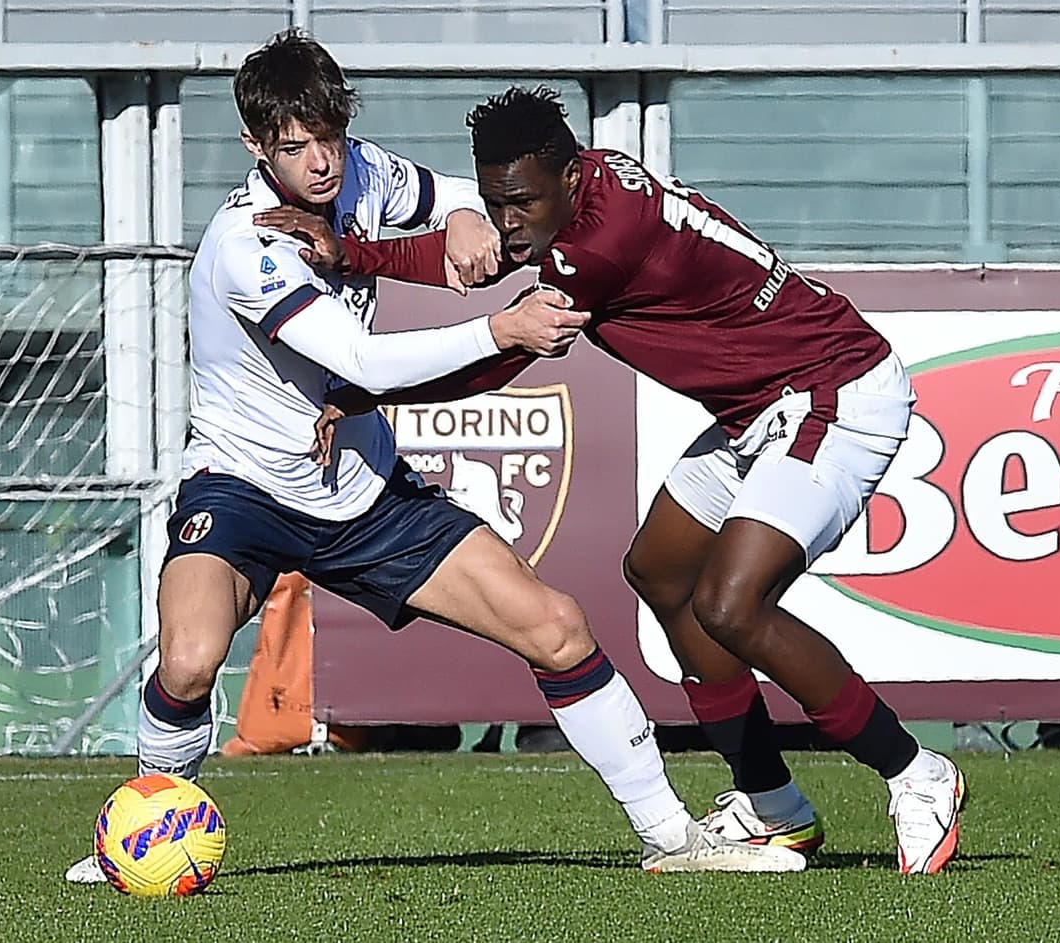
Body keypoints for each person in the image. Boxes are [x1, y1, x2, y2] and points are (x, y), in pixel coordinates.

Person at [66, 35, 805, 884]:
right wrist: (504, 326)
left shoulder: (364, 174)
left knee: (557, 628)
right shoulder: (247, 244)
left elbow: (454, 195)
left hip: (364, 488)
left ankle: (674, 836)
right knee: (190, 659)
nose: (320, 164)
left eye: (329, 139)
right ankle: (138, 835)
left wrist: (458, 213)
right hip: (244, 487)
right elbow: (366, 365)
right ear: (253, 147)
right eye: (294, 148)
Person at [269, 86, 967, 875]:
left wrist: (365, 392)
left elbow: (504, 350)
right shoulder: (581, 196)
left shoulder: (598, 248)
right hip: (758, 406)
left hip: (835, 390)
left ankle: (918, 773)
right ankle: (773, 803)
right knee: (660, 570)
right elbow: (495, 257)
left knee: (731, 605)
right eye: (495, 202)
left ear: (569, 179)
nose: (507, 221)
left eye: (521, 202)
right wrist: (354, 253)